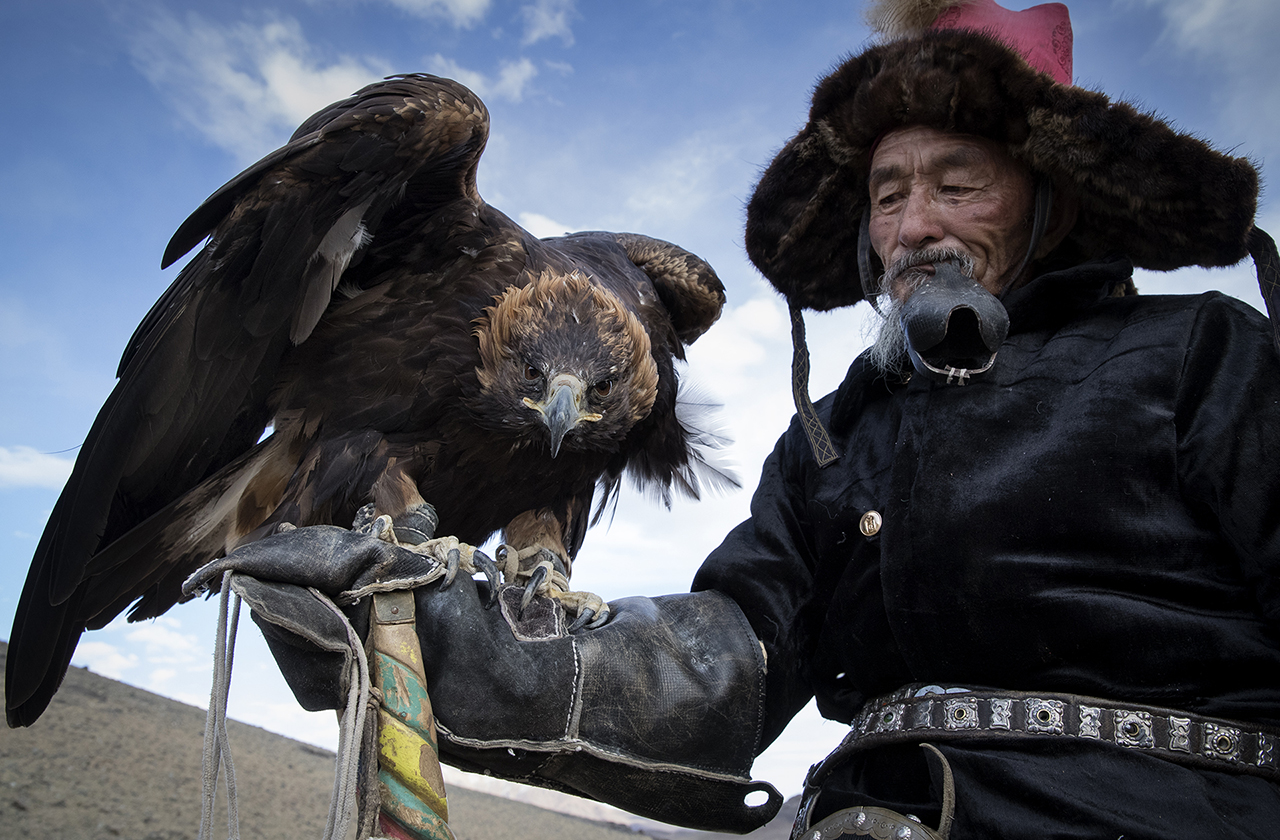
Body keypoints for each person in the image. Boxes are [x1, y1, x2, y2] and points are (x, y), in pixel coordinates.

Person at [196, 1, 1280, 837]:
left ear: (1053, 200)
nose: (914, 227)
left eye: (958, 186)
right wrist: (470, 645)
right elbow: (732, 662)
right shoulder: (835, 441)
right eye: (888, 194)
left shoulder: (1202, 353)